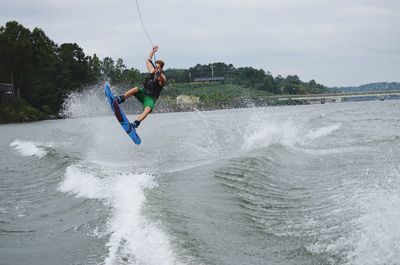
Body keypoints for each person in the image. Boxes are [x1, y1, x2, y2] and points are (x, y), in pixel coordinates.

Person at [116, 45, 166, 129]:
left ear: (161, 68)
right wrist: (152, 51)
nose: (155, 68)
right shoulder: (152, 70)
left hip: (150, 99)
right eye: (155, 66)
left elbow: (163, 80)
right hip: (143, 93)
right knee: (136, 89)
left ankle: (136, 123)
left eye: (157, 67)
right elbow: (148, 61)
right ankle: (120, 99)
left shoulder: (161, 78)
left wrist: (159, 74)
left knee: (147, 109)